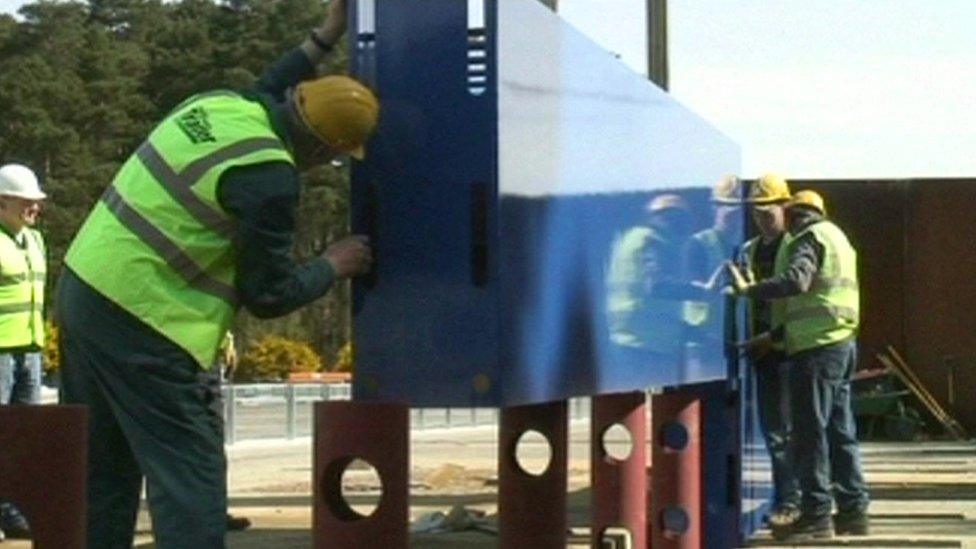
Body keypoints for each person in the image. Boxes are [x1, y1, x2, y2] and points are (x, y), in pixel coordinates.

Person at [58, 0, 376, 546]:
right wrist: (333, 264)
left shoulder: (223, 106)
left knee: (104, 471)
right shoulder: (270, 177)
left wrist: (326, 36)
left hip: (83, 294)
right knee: (190, 479)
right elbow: (268, 293)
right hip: (148, 322)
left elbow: (270, 83)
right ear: (324, 149)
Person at [729, 190, 869, 541]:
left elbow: (798, 281)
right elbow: (820, 298)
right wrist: (775, 338)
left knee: (809, 433)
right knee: (840, 431)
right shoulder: (839, 238)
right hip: (841, 342)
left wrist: (752, 290)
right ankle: (854, 512)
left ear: (794, 214)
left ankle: (817, 516)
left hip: (815, 351)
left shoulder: (809, 238)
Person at [736, 174, 801, 534]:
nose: (763, 217)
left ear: (785, 207)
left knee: (787, 431)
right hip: (759, 353)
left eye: (769, 210)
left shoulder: (796, 248)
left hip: (787, 348)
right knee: (771, 430)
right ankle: (785, 497)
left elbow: (802, 303)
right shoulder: (748, 250)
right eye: (757, 211)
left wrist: (773, 336)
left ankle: (792, 499)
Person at [0, 163, 47, 541]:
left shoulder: (35, 241)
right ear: (2, 203)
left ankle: (17, 510)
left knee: (26, 437)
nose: (35, 207)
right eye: (26, 201)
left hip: (29, 350)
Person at [607, 193, 696, 368]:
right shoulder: (653, 241)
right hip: (649, 345)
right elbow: (657, 286)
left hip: (628, 338)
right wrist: (703, 292)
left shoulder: (631, 239)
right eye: (681, 219)